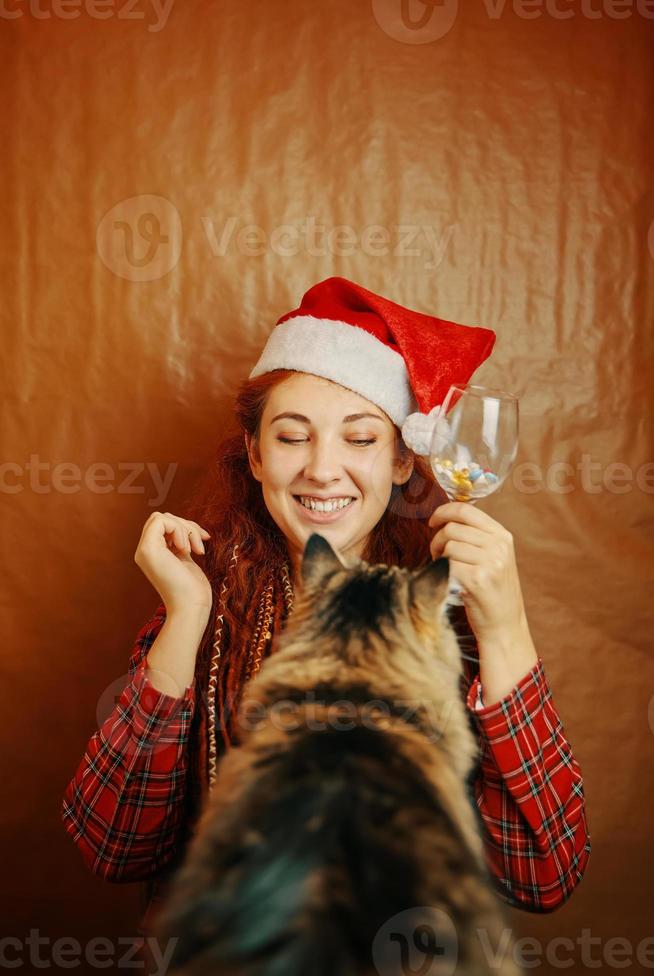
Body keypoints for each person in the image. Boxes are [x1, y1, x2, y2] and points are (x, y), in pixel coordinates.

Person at [61, 276, 591, 941]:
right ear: (255, 454)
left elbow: (544, 876)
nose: (321, 469)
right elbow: (114, 846)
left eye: (360, 439)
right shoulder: (211, 605)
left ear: (401, 459)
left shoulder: (446, 613)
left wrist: (507, 628)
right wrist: (186, 617)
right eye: (292, 437)